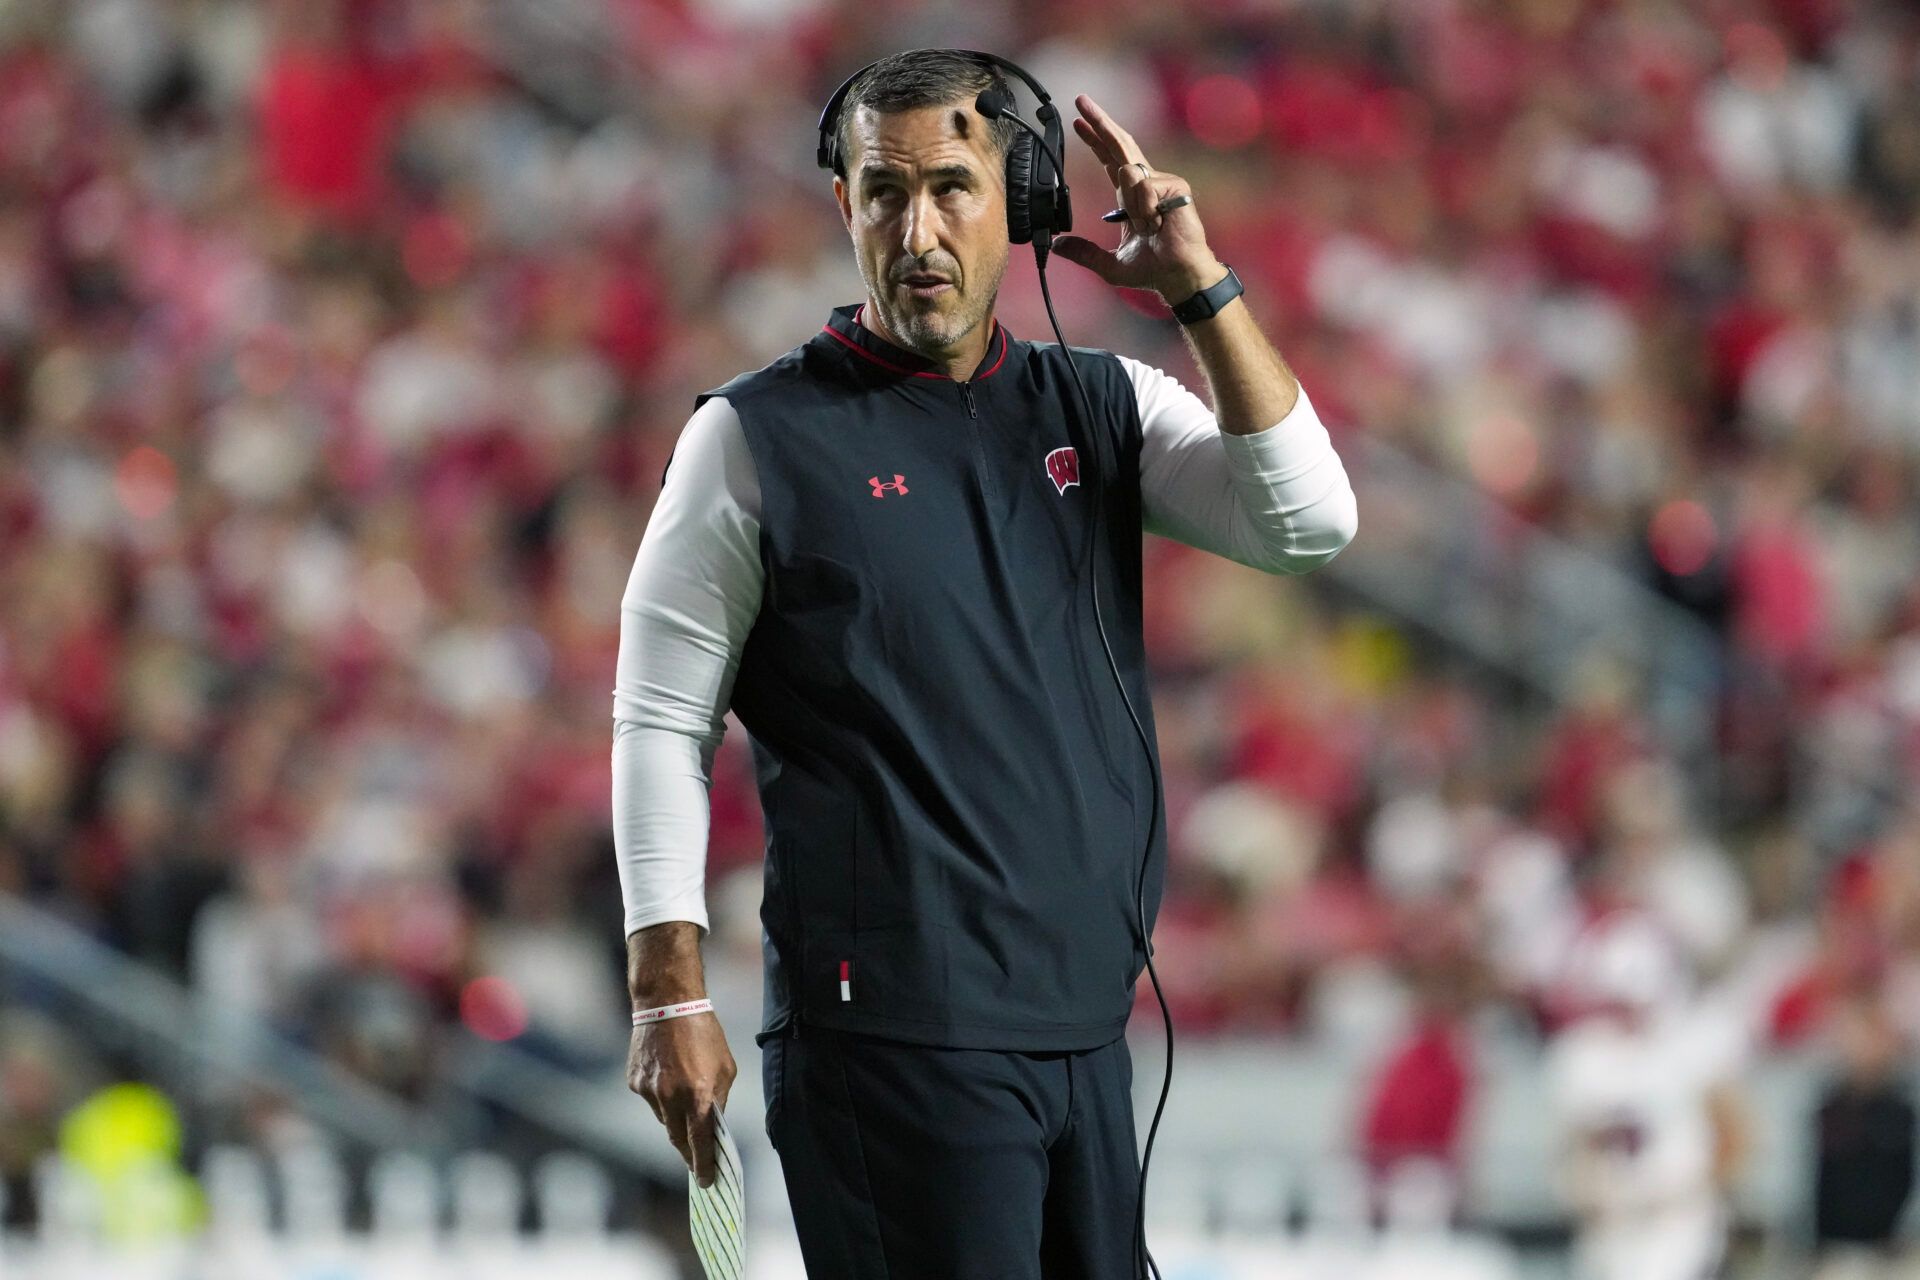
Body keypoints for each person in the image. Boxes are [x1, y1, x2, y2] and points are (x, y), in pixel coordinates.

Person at [610, 47, 1357, 1279]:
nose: (918, 227)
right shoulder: (752, 438)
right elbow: (657, 723)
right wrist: (668, 992)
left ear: (1020, 198)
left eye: (952, 187)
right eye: (882, 191)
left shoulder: (1102, 402)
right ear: (841, 203)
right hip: (891, 1034)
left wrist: (1201, 289)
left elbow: (1308, 521)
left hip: (1077, 1030)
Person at [1547, 912, 1751, 1280]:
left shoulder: (1696, 1041)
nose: (1629, 1013)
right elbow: (1574, 1146)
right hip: (1612, 1222)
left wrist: (1691, 1191)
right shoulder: (1582, 1054)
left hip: (1680, 1218)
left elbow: (1735, 1139)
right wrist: (1587, 1193)